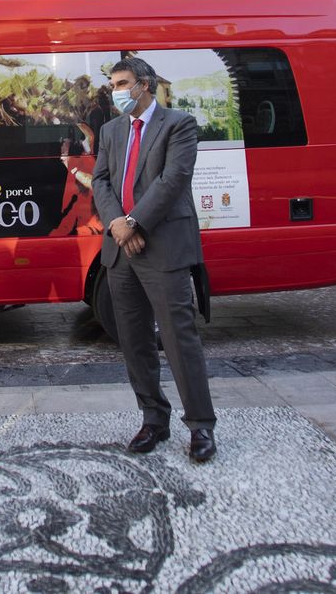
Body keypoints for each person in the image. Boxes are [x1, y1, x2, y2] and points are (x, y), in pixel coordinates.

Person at [91, 56, 217, 463]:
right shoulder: (110, 130)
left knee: (180, 340)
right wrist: (116, 225)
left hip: (162, 246)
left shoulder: (178, 124)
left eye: (123, 83)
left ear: (145, 85)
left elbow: (173, 180)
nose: (118, 92)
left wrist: (134, 222)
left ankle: (200, 426)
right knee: (134, 341)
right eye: (113, 85)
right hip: (120, 251)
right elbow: (101, 181)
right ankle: (153, 419)